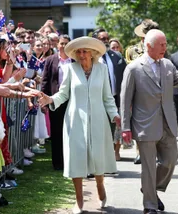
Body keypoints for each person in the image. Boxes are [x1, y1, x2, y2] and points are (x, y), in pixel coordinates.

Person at [120, 29, 178, 214]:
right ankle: (149, 205)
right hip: (144, 126)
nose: (165, 48)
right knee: (148, 168)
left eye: (166, 44)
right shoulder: (133, 68)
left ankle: (149, 188)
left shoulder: (167, 65)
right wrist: (125, 127)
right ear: (148, 46)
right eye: (162, 45)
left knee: (171, 160)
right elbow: (125, 101)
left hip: (168, 124)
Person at [39, 36, 120, 214]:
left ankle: (100, 184)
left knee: (98, 156)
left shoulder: (102, 69)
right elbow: (63, 94)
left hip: (98, 119)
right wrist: (50, 99)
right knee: (76, 158)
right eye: (79, 52)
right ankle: (79, 199)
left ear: (93, 53)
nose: (82, 54)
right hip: (75, 120)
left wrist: (115, 115)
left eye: (85, 51)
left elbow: (107, 97)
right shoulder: (70, 69)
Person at [124, 19, 160, 164]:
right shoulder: (132, 50)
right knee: (139, 122)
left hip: (155, 90)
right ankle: (140, 151)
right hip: (138, 91)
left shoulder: (160, 47)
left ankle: (155, 152)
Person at [92, 28, 126, 161]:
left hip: (113, 100)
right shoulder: (91, 57)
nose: (105, 41)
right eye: (102, 39)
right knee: (98, 131)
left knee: (113, 131)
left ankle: (110, 158)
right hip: (96, 100)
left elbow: (124, 79)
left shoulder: (116, 56)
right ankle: (98, 159)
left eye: (107, 38)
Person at [41, 34, 73, 170]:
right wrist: (44, 100)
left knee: (71, 131)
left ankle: (70, 161)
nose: (64, 46)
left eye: (66, 43)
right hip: (54, 100)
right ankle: (58, 163)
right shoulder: (50, 60)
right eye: (62, 43)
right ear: (57, 45)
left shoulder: (75, 61)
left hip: (72, 100)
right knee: (57, 131)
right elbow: (45, 80)